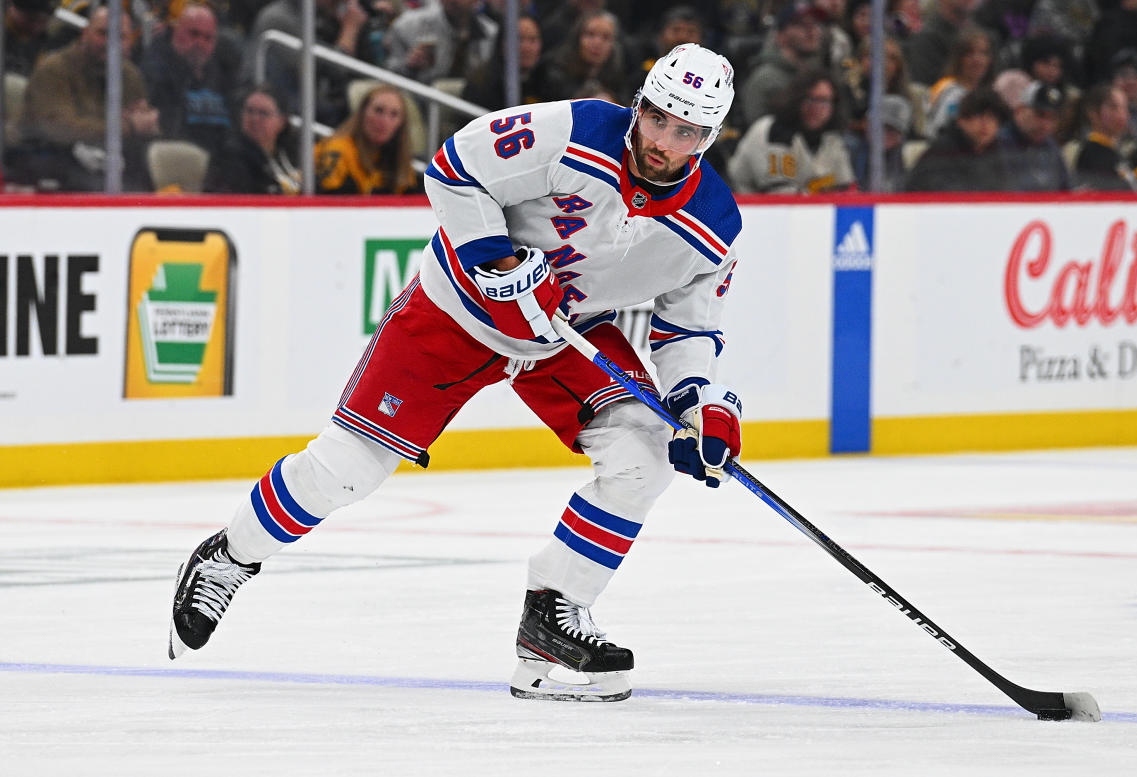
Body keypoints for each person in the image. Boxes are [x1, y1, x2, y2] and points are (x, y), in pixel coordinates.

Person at [168, 43, 744, 704]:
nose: (664, 141)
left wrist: (700, 404)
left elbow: (688, 327)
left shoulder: (716, 224)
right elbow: (454, 167)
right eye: (658, 118)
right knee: (346, 469)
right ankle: (230, 554)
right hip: (458, 311)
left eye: (687, 131)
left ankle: (552, 616)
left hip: (567, 333)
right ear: (640, 105)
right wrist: (497, 263)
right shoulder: (576, 130)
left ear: (710, 136)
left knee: (645, 455)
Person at [13, 6, 160, 191]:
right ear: (85, 34)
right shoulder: (54, 70)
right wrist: (128, 126)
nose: (110, 43)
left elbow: (143, 126)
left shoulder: (130, 75)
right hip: (47, 161)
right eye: (102, 33)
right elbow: (60, 130)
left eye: (120, 37)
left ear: (130, 42)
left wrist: (147, 124)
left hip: (102, 165)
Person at [728, 67, 856, 193]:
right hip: (743, 208)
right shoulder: (773, 131)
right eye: (811, 100)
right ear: (797, 99)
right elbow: (781, 197)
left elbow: (847, 191)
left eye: (825, 101)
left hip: (807, 211)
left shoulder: (831, 139)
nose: (818, 108)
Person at [140, 3, 239, 159]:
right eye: (194, 34)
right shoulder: (156, 70)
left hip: (219, 161)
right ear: (176, 32)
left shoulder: (224, 70)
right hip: (175, 157)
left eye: (208, 38)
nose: (200, 43)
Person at [737, 1, 827, 128]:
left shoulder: (817, 74)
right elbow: (758, 132)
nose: (812, 32)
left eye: (816, 24)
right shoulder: (765, 78)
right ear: (780, 36)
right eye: (802, 25)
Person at [314, 83, 417, 194]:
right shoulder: (337, 148)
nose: (385, 121)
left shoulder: (400, 158)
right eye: (378, 111)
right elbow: (325, 201)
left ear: (401, 123)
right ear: (362, 112)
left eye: (394, 114)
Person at [904, 86, 1008, 191]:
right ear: (961, 120)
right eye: (978, 116)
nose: (985, 124)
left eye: (992, 118)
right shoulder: (941, 153)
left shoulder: (999, 155)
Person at [203, 83, 300, 194]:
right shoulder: (229, 157)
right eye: (250, 111)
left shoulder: (293, 154)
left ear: (282, 121)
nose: (254, 118)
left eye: (263, 113)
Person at [385, 0, 499, 84]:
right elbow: (386, 76)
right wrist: (408, 66)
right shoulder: (407, 26)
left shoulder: (491, 33)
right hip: (420, 103)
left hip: (471, 106)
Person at [462, 14, 550, 111]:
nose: (526, 48)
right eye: (518, 39)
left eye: (533, 40)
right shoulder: (481, 84)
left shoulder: (550, 81)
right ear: (502, 43)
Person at [538, 9, 628, 102]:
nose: (597, 43)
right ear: (577, 39)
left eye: (605, 37)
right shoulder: (554, 74)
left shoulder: (617, 77)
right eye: (590, 34)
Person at [997, 82, 1071, 191]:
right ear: (1019, 110)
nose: (1046, 125)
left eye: (1053, 118)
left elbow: (1065, 189)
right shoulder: (998, 144)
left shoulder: (1051, 147)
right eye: (1040, 115)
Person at [925, 26, 993, 139]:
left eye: (983, 53)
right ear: (958, 58)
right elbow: (938, 130)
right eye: (969, 53)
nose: (977, 59)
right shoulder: (948, 90)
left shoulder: (988, 92)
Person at [3, 0, 57, 77]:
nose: (36, 27)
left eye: (43, 22)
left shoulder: (42, 42)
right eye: (31, 19)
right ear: (12, 9)